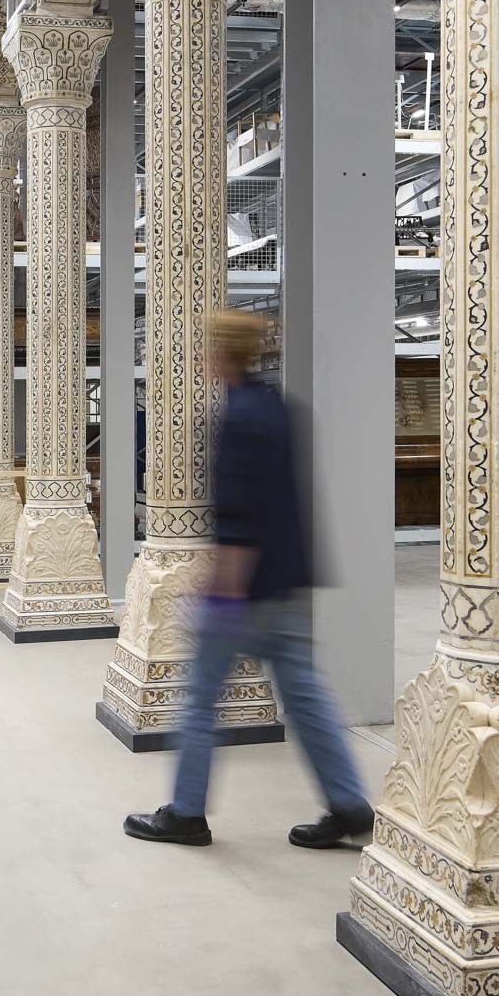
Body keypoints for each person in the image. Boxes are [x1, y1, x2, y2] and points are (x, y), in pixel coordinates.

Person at [124, 310, 375, 850]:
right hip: (287, 581)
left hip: (246, 590)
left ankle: (187, 811)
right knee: (306, 698)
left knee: (199, 699)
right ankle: (349, 803)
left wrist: (222, 592)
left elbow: (239, 514)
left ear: (220, 355)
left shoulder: (238, 418)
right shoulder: (280, 408)